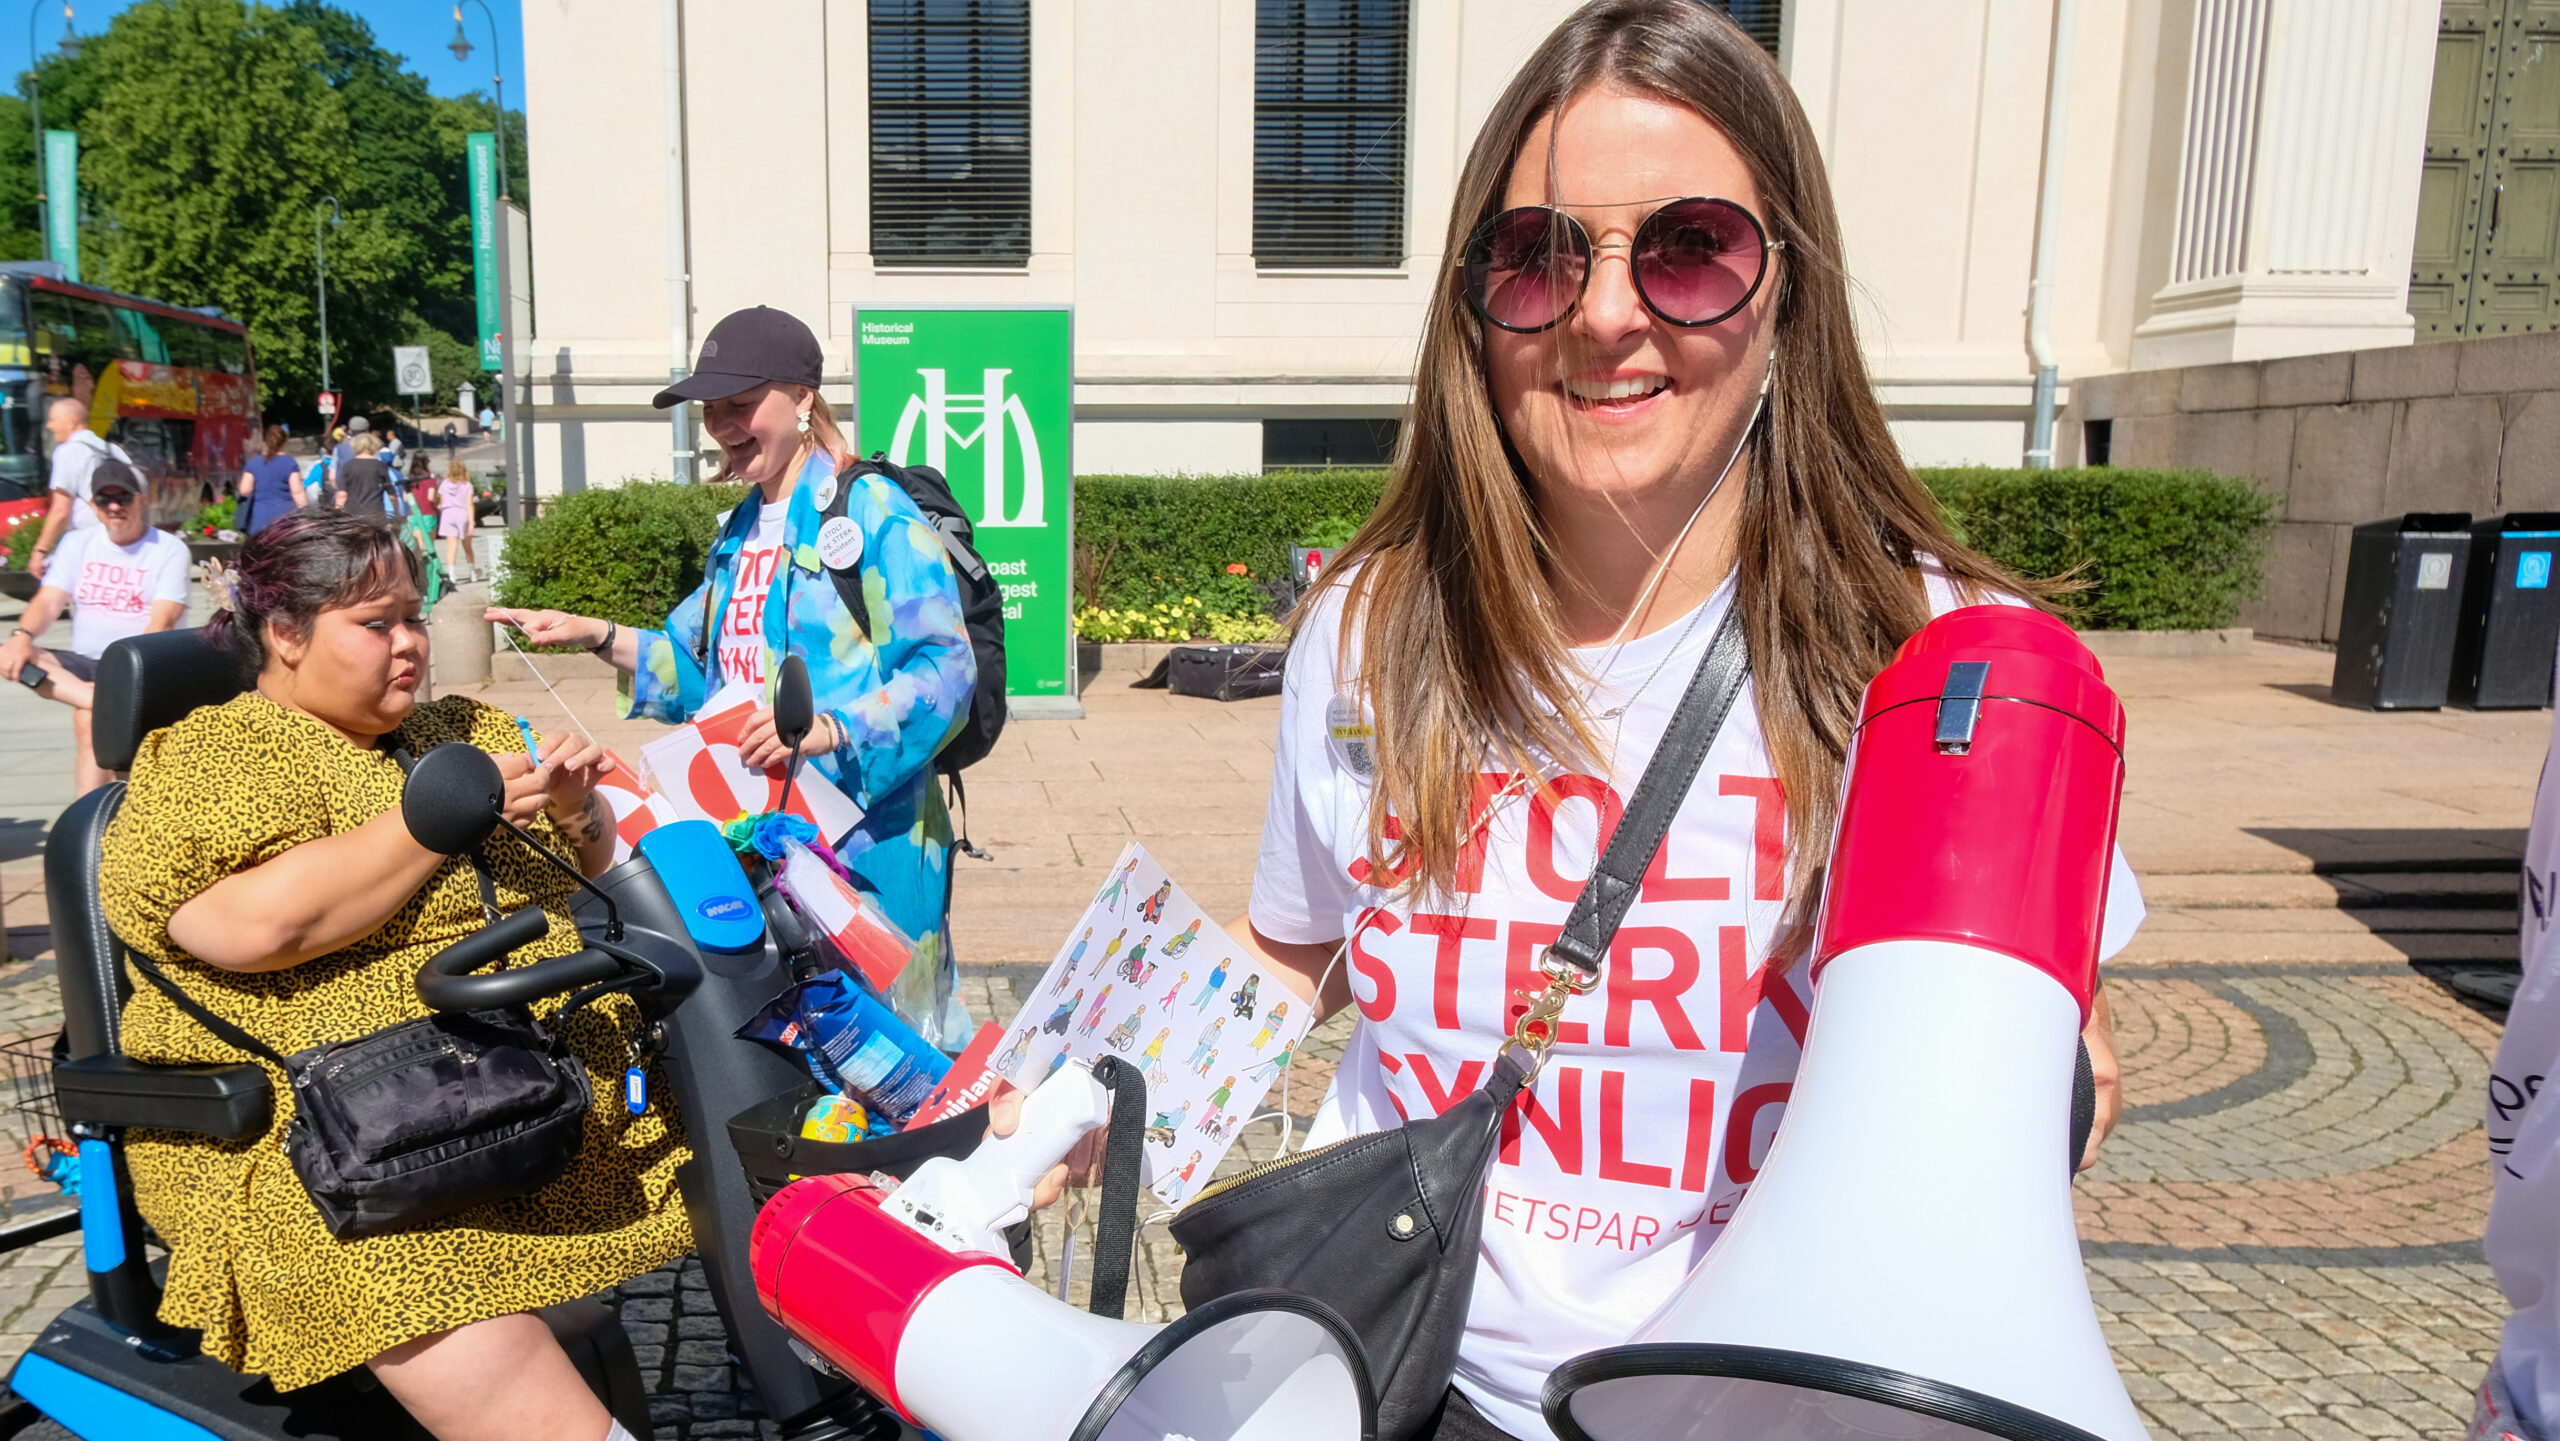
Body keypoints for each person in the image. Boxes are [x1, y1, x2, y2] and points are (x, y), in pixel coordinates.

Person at [1233, 7, 2141, 1438]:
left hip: (1764, 1399)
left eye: (1687, 246)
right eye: (1538, 256)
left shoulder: (1932, 656)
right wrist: (1064, 1104)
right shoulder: (1371, 625)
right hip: (1422, 1372)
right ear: (1477, 303)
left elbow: (2060, 1061)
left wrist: (2027, 1108)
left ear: (1788, 285)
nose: (1604, 314)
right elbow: (1296, 955)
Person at [97, 511, 684, 1441]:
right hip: (315, 1138)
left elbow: (597, 866)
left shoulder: (456, 730)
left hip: (515, 1088)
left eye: (415, 616)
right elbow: (257, 925)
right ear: (284, 633)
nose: (410, 643)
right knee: (402, 1270)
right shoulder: (213, 757)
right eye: (376, 624)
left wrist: (578, 811)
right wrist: (436, 816)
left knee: (748, 1146)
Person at [487, 305, 980, 1046]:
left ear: (804, 397)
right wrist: (595, 634)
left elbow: (947, 667)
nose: (722, 423)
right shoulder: (740, 530)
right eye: (712, 409)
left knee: (897, 1045)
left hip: (868, 847)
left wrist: (830, 730)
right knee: (804, 1054)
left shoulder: (871, 505)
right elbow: (699, 674)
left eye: (742, 404)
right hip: (765, 842)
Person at [0, 462, 189, 795]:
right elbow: (47, 602)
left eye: (123, 498)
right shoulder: (77, 544)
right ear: (93, 506)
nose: (114, 507)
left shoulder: (169, 549)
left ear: (141, 500)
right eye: (104, 499)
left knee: (87, 721)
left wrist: (127, 683)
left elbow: (163, 624)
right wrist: (21, 637)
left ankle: (89, 823)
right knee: (14, 651)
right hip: (86, 665)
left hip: (141, 664)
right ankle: (95, 699)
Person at [23, 397, 137, 578]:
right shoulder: (113, 450)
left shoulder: (68, 451)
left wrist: (40, 551)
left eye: (53, 420)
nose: (49, 426)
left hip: (89, 544)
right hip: (124, 538)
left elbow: (61, 509)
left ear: (71, 420)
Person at [235, 424, 306, 536]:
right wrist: (306, 514)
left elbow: (244, 490)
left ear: (266, 442)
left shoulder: (254, 463)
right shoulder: (290, 463)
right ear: (284, 443)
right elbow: (297, 492)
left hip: (260, 519)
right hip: (284, 519)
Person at [334, 431, 401, 523]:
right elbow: (392, 495)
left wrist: (338, 514)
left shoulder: (348, 466)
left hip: (353, 514)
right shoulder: (380, 466)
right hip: (376, 513)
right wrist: (396, 512)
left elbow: (342, 494)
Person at [438, 460, 477, 582]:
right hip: (462, 514)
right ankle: (472, 572)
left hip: (448, 514)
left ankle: (452, 574)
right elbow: (470, 504)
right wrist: (471, 522)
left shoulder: (444, 484)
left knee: (451, 547)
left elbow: (441, 502)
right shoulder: (467, 486)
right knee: (467, 546)